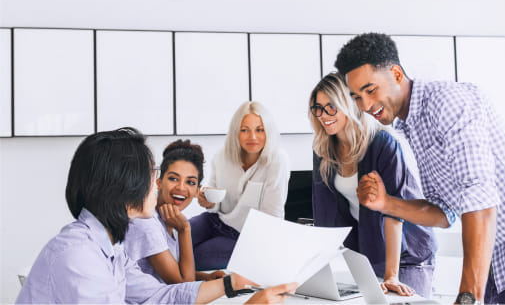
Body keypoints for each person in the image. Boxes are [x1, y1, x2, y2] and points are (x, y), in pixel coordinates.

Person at [336, 33, 505, 304]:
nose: (366, 105)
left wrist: (468, 297)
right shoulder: (412, 125)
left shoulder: (447, 101)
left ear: (396, 74)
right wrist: (386, 203)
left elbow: (480, 197)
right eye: (356, 97)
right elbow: (445, 214)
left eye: (370, 90)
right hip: (497, 256)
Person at [15, 127, 297, 304]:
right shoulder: (78, 254)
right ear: (124, 184)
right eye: (153, 174)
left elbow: (159, 295)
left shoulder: (109, 248)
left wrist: (230, 284)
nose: (156, 183)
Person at [308, 72, 437, 298]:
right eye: (318, 108)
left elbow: (394, 213)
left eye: (331, 107)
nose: (323, 115)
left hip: (406, 256)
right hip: (368, 251)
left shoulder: (383, 144)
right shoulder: (323, 150)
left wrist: (392, 275)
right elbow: (323, 212)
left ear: (349, 104)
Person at [189, 101, 291, 270]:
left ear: (268, 131)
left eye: (259, 130)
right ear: (236, 131)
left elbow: (272, 216)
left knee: (193, 258)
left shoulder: (277, 160)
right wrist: (209, 203)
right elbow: (215, 203)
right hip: (215, 221)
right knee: (176, 238)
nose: (252, 137)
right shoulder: (222, 156)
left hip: (245, 239)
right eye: (245, 130)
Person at [125, 139, 225, 283]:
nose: (181, 188)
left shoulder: (171, 218)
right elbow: (183, 286)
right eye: (173, 178)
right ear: (159, 182)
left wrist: (206, 277)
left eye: (190, 182)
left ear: (197, 191)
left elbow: (174, 271)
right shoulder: (147, 224)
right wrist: (185, 230)